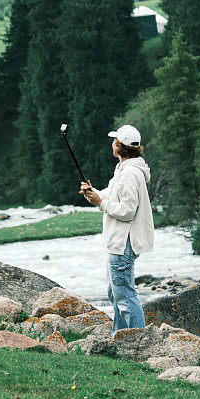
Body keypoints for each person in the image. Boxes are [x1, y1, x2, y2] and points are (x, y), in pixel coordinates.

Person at [80, 124, 154, 336]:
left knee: (125, 295)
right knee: (115, 293)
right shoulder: (123, 169)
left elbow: (128, 211)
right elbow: (111, 195)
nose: (112, 144)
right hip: (117, 241)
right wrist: (93, 193)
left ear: (121, 147)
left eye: (115, 141)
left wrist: (100, 203)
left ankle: (139, 340)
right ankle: (120, 338)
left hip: (123, 242)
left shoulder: (130, 173)